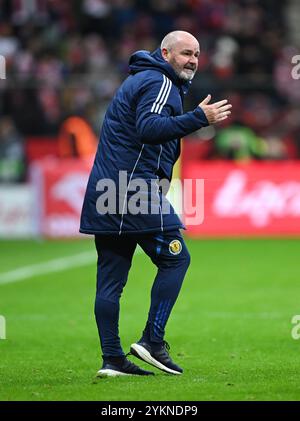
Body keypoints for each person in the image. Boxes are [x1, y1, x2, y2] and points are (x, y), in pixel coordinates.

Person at [80, 30, 232, 377]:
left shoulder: (142, 79)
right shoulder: (159, 80)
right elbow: (148, 128)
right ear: (165, 53)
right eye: (184, 53)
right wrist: (198, 118)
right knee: (177, 257)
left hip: (107, 189)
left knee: (110, 281)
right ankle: (152, 341)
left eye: (196, 54)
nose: (192, 60)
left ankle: (112, 359)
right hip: (131, 189)